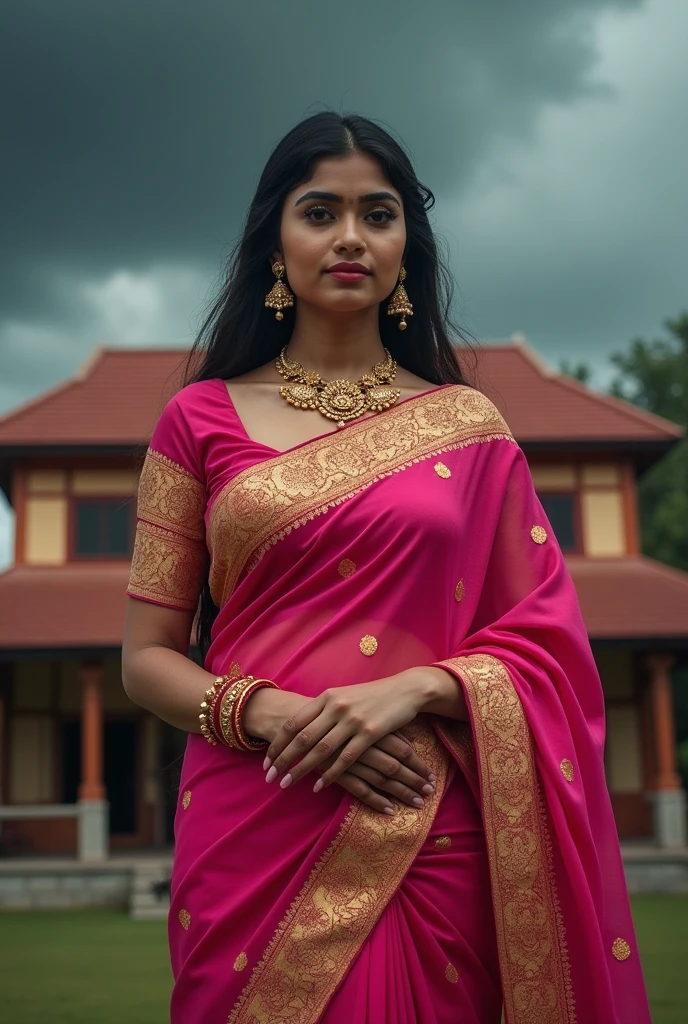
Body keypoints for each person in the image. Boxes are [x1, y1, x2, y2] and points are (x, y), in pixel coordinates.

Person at [122, 112, 651, 1024]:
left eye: (380, 213)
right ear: (274, 242)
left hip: (428, 813)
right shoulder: (196, 422)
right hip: (259, 806)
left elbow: (549, 646)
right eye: (320, 212)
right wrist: (272, 714)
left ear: (408, 244)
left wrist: (413, 691)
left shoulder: (469, 429)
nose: (351, 238)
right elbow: (147, 657)